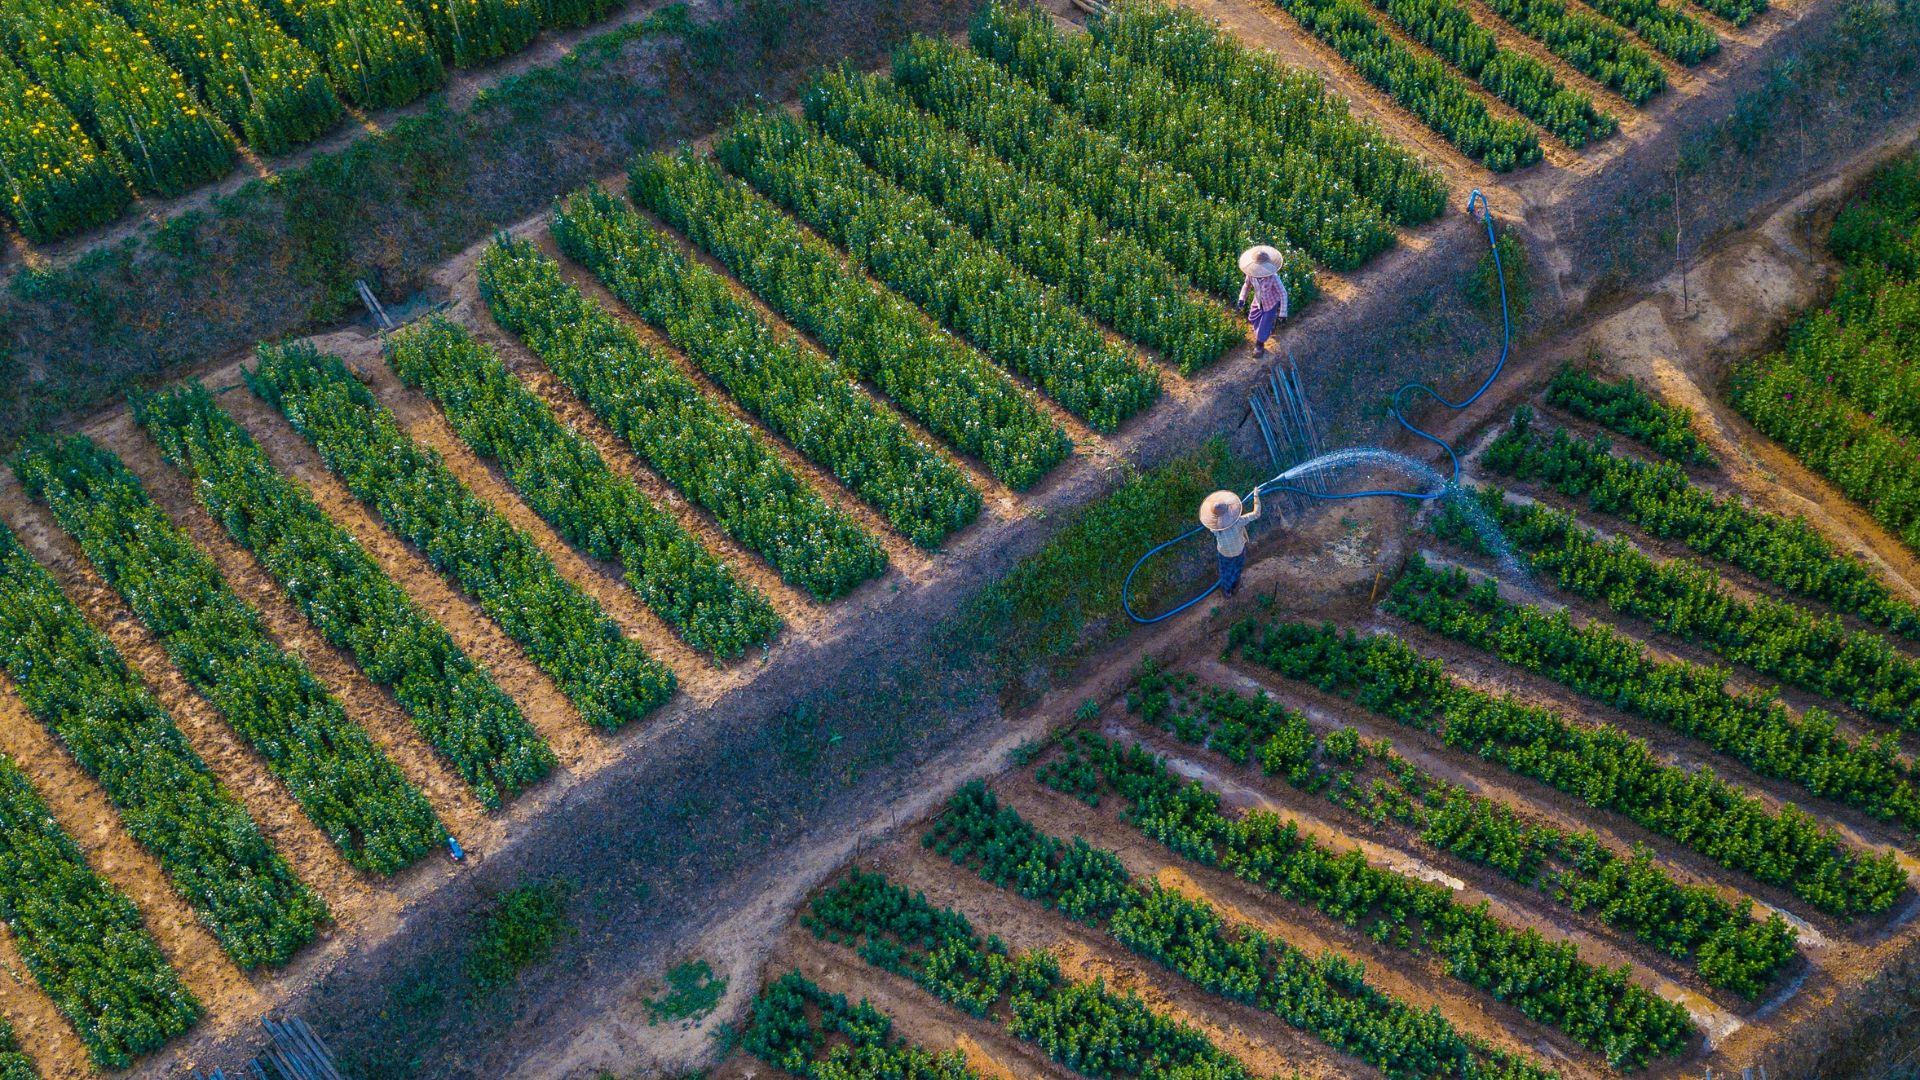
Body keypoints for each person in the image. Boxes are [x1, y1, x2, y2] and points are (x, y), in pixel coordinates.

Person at [1200, 489, 1261, 597]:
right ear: (1229, 510)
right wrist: (1256, 496)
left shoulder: (1215, 529)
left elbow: (1212, 524)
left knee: (1225, 572)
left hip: (1224, 554)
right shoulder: (1239, 521)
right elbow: (1256, 514)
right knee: (1237, 567)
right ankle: (1235, 585)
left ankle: (1227, 591)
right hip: (1239, 550)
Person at [1237, 247, 1289, 355]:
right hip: (1258, 301)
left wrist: (1283, 313)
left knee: (1264, 325)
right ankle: (1265, 331)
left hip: (1270, 304)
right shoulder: (1251, 275)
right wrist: (1242, 298)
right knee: (1253, 318)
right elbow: (1246, 286)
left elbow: (1283, 293)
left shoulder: (1273, 277)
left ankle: (1259, 345)